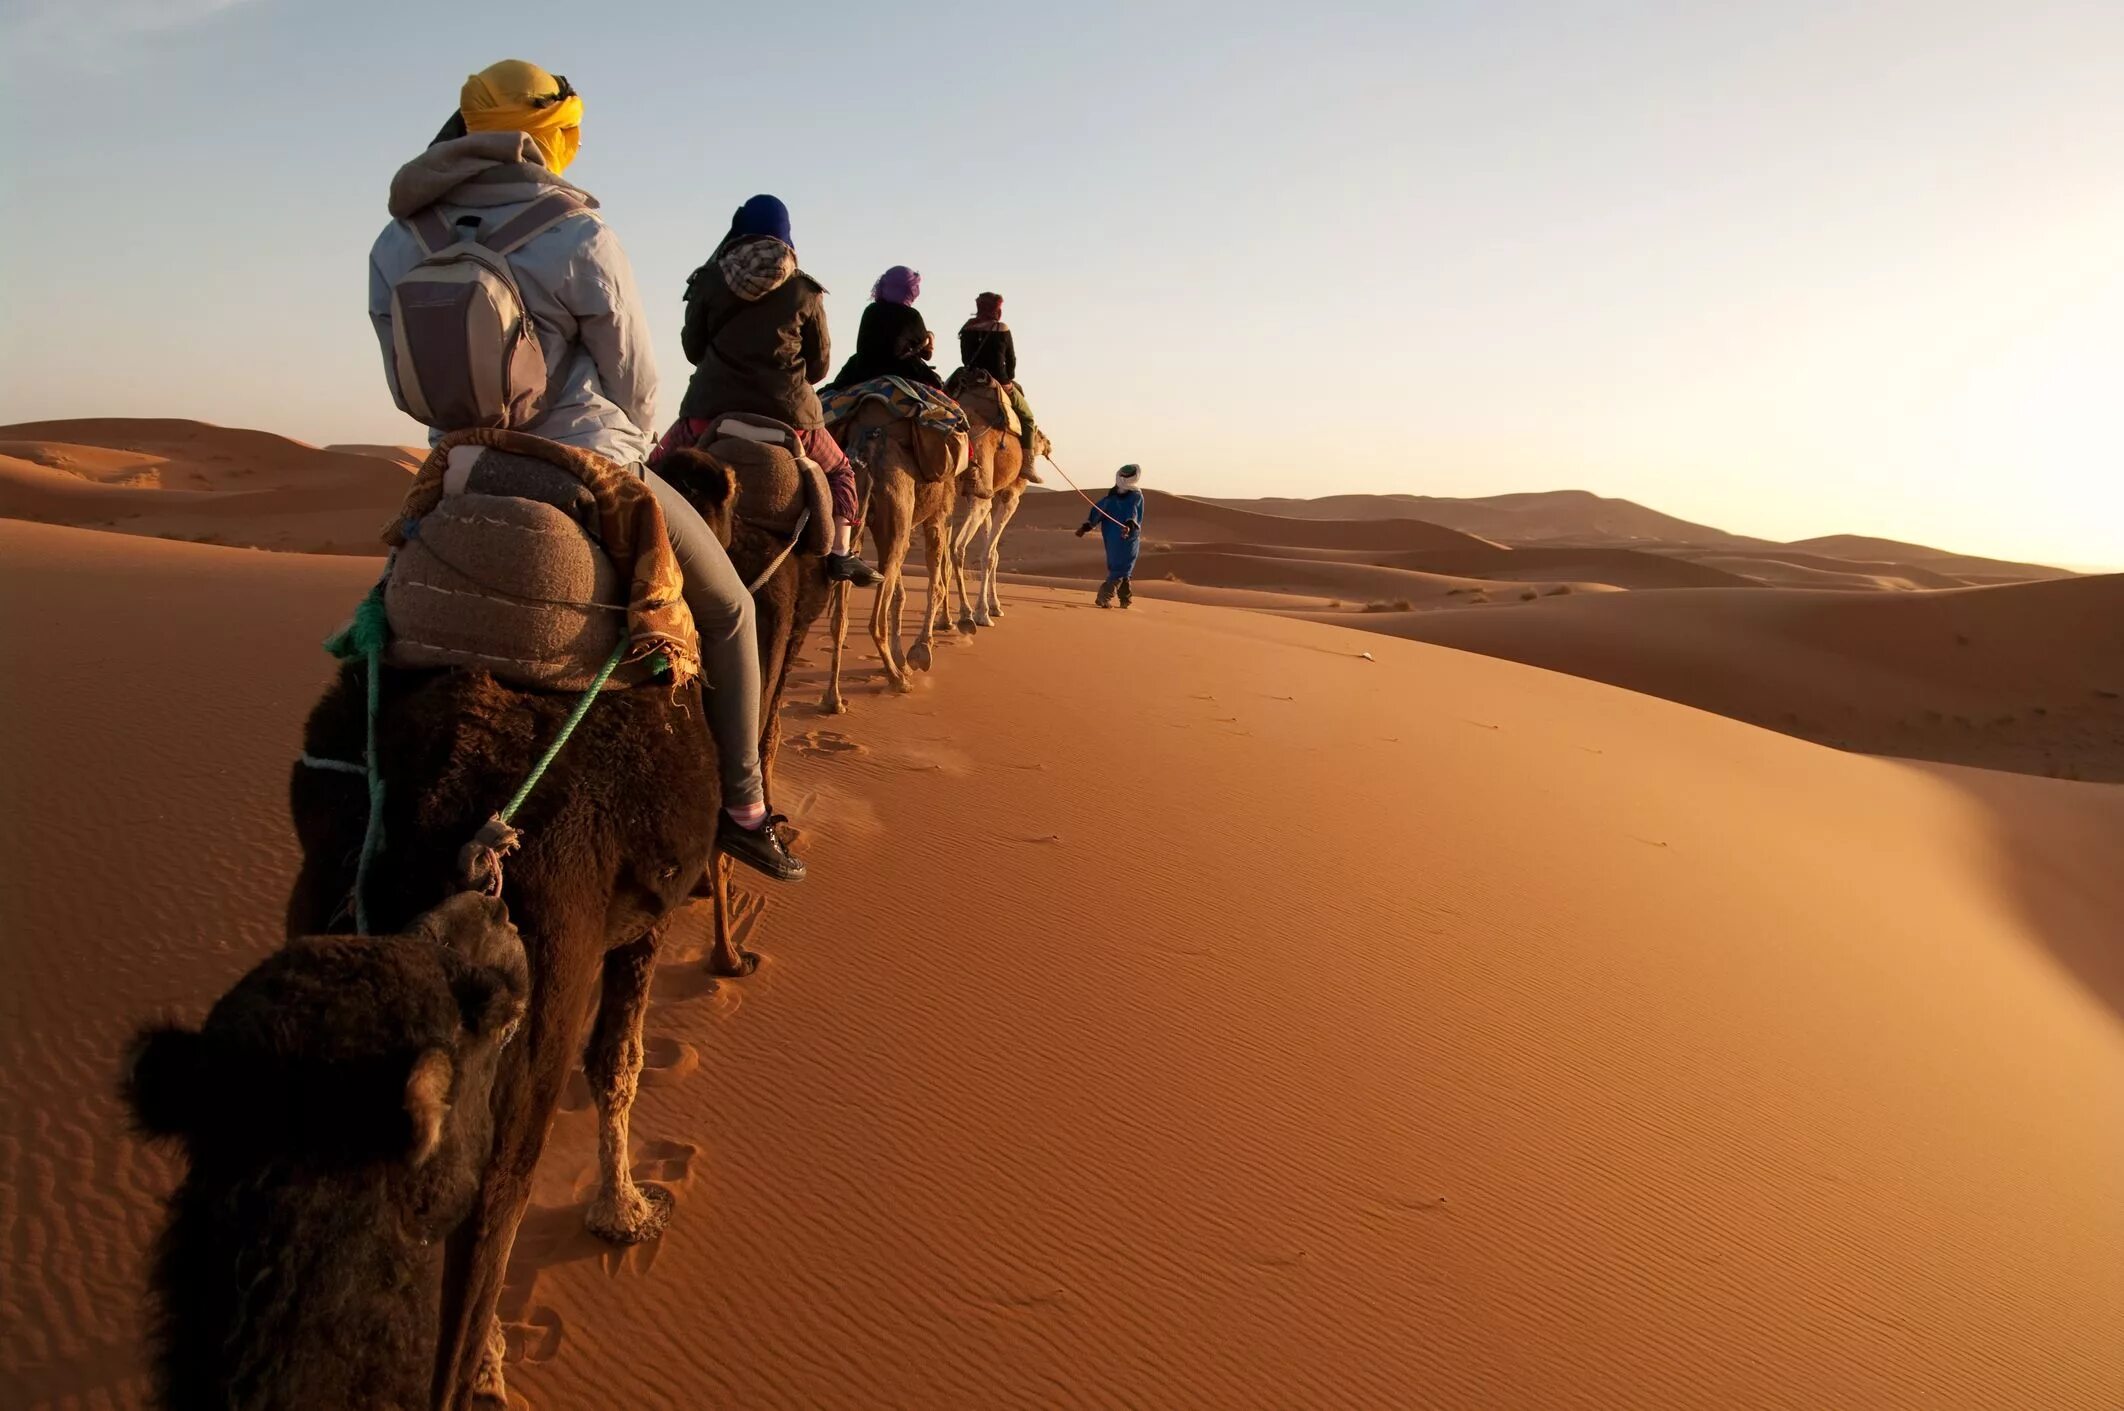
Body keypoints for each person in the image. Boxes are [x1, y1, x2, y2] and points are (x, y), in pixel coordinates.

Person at [368, 60, 802, 882]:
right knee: (734, 611)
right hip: (586, 461)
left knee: (381, 608)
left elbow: (402, 377)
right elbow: (637, 381)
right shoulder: (579, 234)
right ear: (553, 136)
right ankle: (744, 807)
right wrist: (626, 462)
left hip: (460, 465)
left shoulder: (398, 240)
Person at [651, 195, 879, 586]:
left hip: (708, 411)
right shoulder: (805, 290)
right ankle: (841, 551)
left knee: (653, 469)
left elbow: (693, 351)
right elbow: (820, 366)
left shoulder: (709, 280)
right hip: (792, 417)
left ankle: (640, 542)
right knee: (842, 470)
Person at [823, 266, 943, 389]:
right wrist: (930, 337)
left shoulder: (871, 311)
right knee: (942, 392)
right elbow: (927, 354)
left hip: (862, 370)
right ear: (910, 289)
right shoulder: (913, 316)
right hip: (903, 371)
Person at [1075, 464, 1145, 609]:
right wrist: (1129, 525)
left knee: (1122, 566)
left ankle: (1125, 599)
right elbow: (1133, 514)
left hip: (1111, 536)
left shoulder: (1111, 497)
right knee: (1123, 566)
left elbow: (1098, 511)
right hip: (1126, 536)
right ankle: (1104, 597)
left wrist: (1086, 527)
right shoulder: (1135, 495)